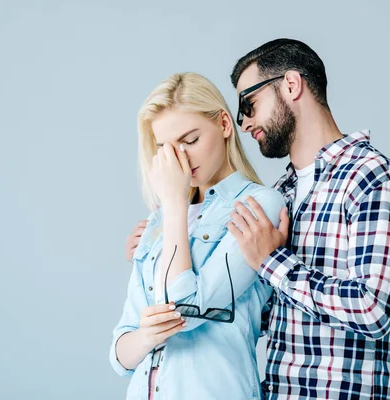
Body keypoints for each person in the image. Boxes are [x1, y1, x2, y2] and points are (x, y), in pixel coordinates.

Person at [126, 39, 390, 400]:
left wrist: (272, 261)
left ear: (291, 85)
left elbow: (374, 309)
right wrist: (163, 255)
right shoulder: (279, 193)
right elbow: (254, 317)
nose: (243, 121)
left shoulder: (372, 178)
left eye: (249, 103)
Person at [110, 72, 285, 400]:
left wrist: (175, 203)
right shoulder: (157, 223)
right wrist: (146, 337)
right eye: (165, 148)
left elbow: (186, 310)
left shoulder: (260, 206)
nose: (180, 159)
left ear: (223, 124)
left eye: (190, 140)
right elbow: (120, 355)